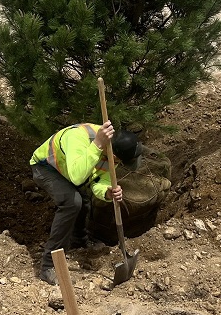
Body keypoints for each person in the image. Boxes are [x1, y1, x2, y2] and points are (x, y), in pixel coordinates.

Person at [29, 120, 142, 285]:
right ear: (116, 155)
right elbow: (77, 176)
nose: (118, 165)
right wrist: (97, 145)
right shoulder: (79, 138)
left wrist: (107, 191)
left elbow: (98, 181)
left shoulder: (111, 154)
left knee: (83, 200)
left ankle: (78, 241)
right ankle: (48, 266)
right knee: (72, 202)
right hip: (46, 167)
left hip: (71, 170)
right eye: (119, 161)